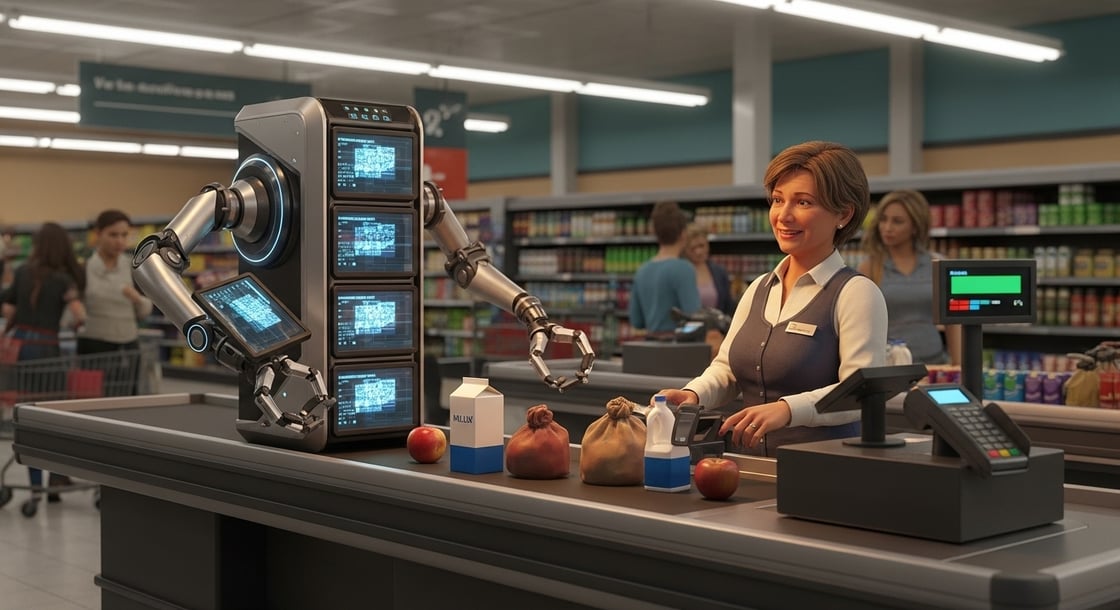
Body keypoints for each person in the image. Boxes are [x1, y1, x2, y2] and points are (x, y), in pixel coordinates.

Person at [654, 141, 887, 456]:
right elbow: (727, 369)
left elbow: (860, 394)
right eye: (778, 200)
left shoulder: (856, 293)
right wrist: (694, 393)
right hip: (747, 468)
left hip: (825, 472)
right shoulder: (760, 287)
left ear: (843, 214)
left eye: (803, 202)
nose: (783, 215)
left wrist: (788, 410)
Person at [2, 222, 87, 502]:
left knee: (25, 417)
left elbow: (9, 308)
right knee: (48, 416)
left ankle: (35, 488)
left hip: (21, 349)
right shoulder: (63, 279)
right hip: (47, 350)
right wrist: (77, 326)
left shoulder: (22, 272)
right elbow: (79, 315)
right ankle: (53, 485)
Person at [858, 190, 961, 366]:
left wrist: (959, 366)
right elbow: (862, 327)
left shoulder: (938, 264)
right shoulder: (869, 267)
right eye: (883, 219)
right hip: (888, 367)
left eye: (897, 221)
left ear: (915, 226)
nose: (887, 227)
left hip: (934, 363)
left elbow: (954, 323)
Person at [79, 210, 153, 396]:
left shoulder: (134, 267)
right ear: (98, 234)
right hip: (93, 347)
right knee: (91, 401)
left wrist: (136, 298)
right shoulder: (84, 268)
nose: (119, 241)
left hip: (127, 347)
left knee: (125, 399)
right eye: (113, 235)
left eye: (124, 235)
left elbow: (146, 310)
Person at [628, 200, 701, 334]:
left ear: (656, 233)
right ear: (683, 234)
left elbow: (636, 321)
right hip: (678, 349)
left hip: (650, 347)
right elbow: (694, 318)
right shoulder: (684, 269)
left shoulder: (642, 271)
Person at [681, 223, 735, 316]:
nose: (698, 252)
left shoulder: (719, 272)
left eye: (701, 246)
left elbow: (728, 305)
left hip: (717, 328)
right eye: (693, 248)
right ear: (685, 249)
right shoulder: (680, 273)